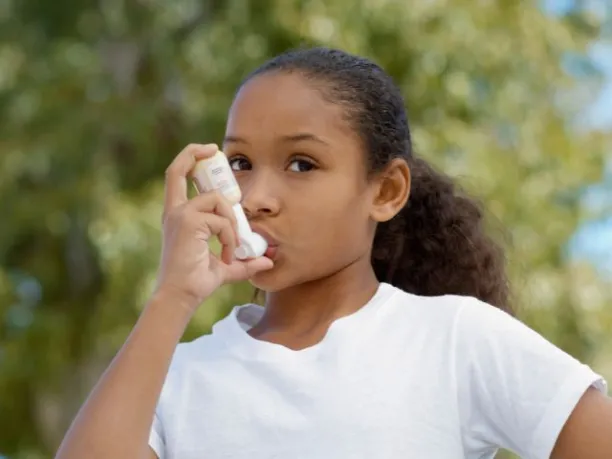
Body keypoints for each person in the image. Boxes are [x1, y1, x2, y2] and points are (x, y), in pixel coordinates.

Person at [55, 47, 612, 459]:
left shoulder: (455, 339)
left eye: (302, 164)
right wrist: (172, 296)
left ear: (386, 191)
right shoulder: (178, 376)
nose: (255, 199)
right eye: (240, 163)